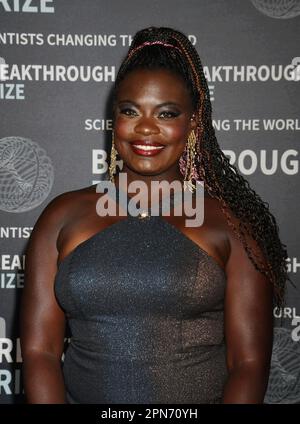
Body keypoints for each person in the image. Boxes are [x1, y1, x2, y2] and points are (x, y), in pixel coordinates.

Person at [20, 26, 290, 404]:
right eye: (130, 110)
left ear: (193, 123)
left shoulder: (232, 225)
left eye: (166, 113)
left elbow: (248, 364)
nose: (145, 128)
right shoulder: (62, 217)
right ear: (114, 117)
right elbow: (39, 352)